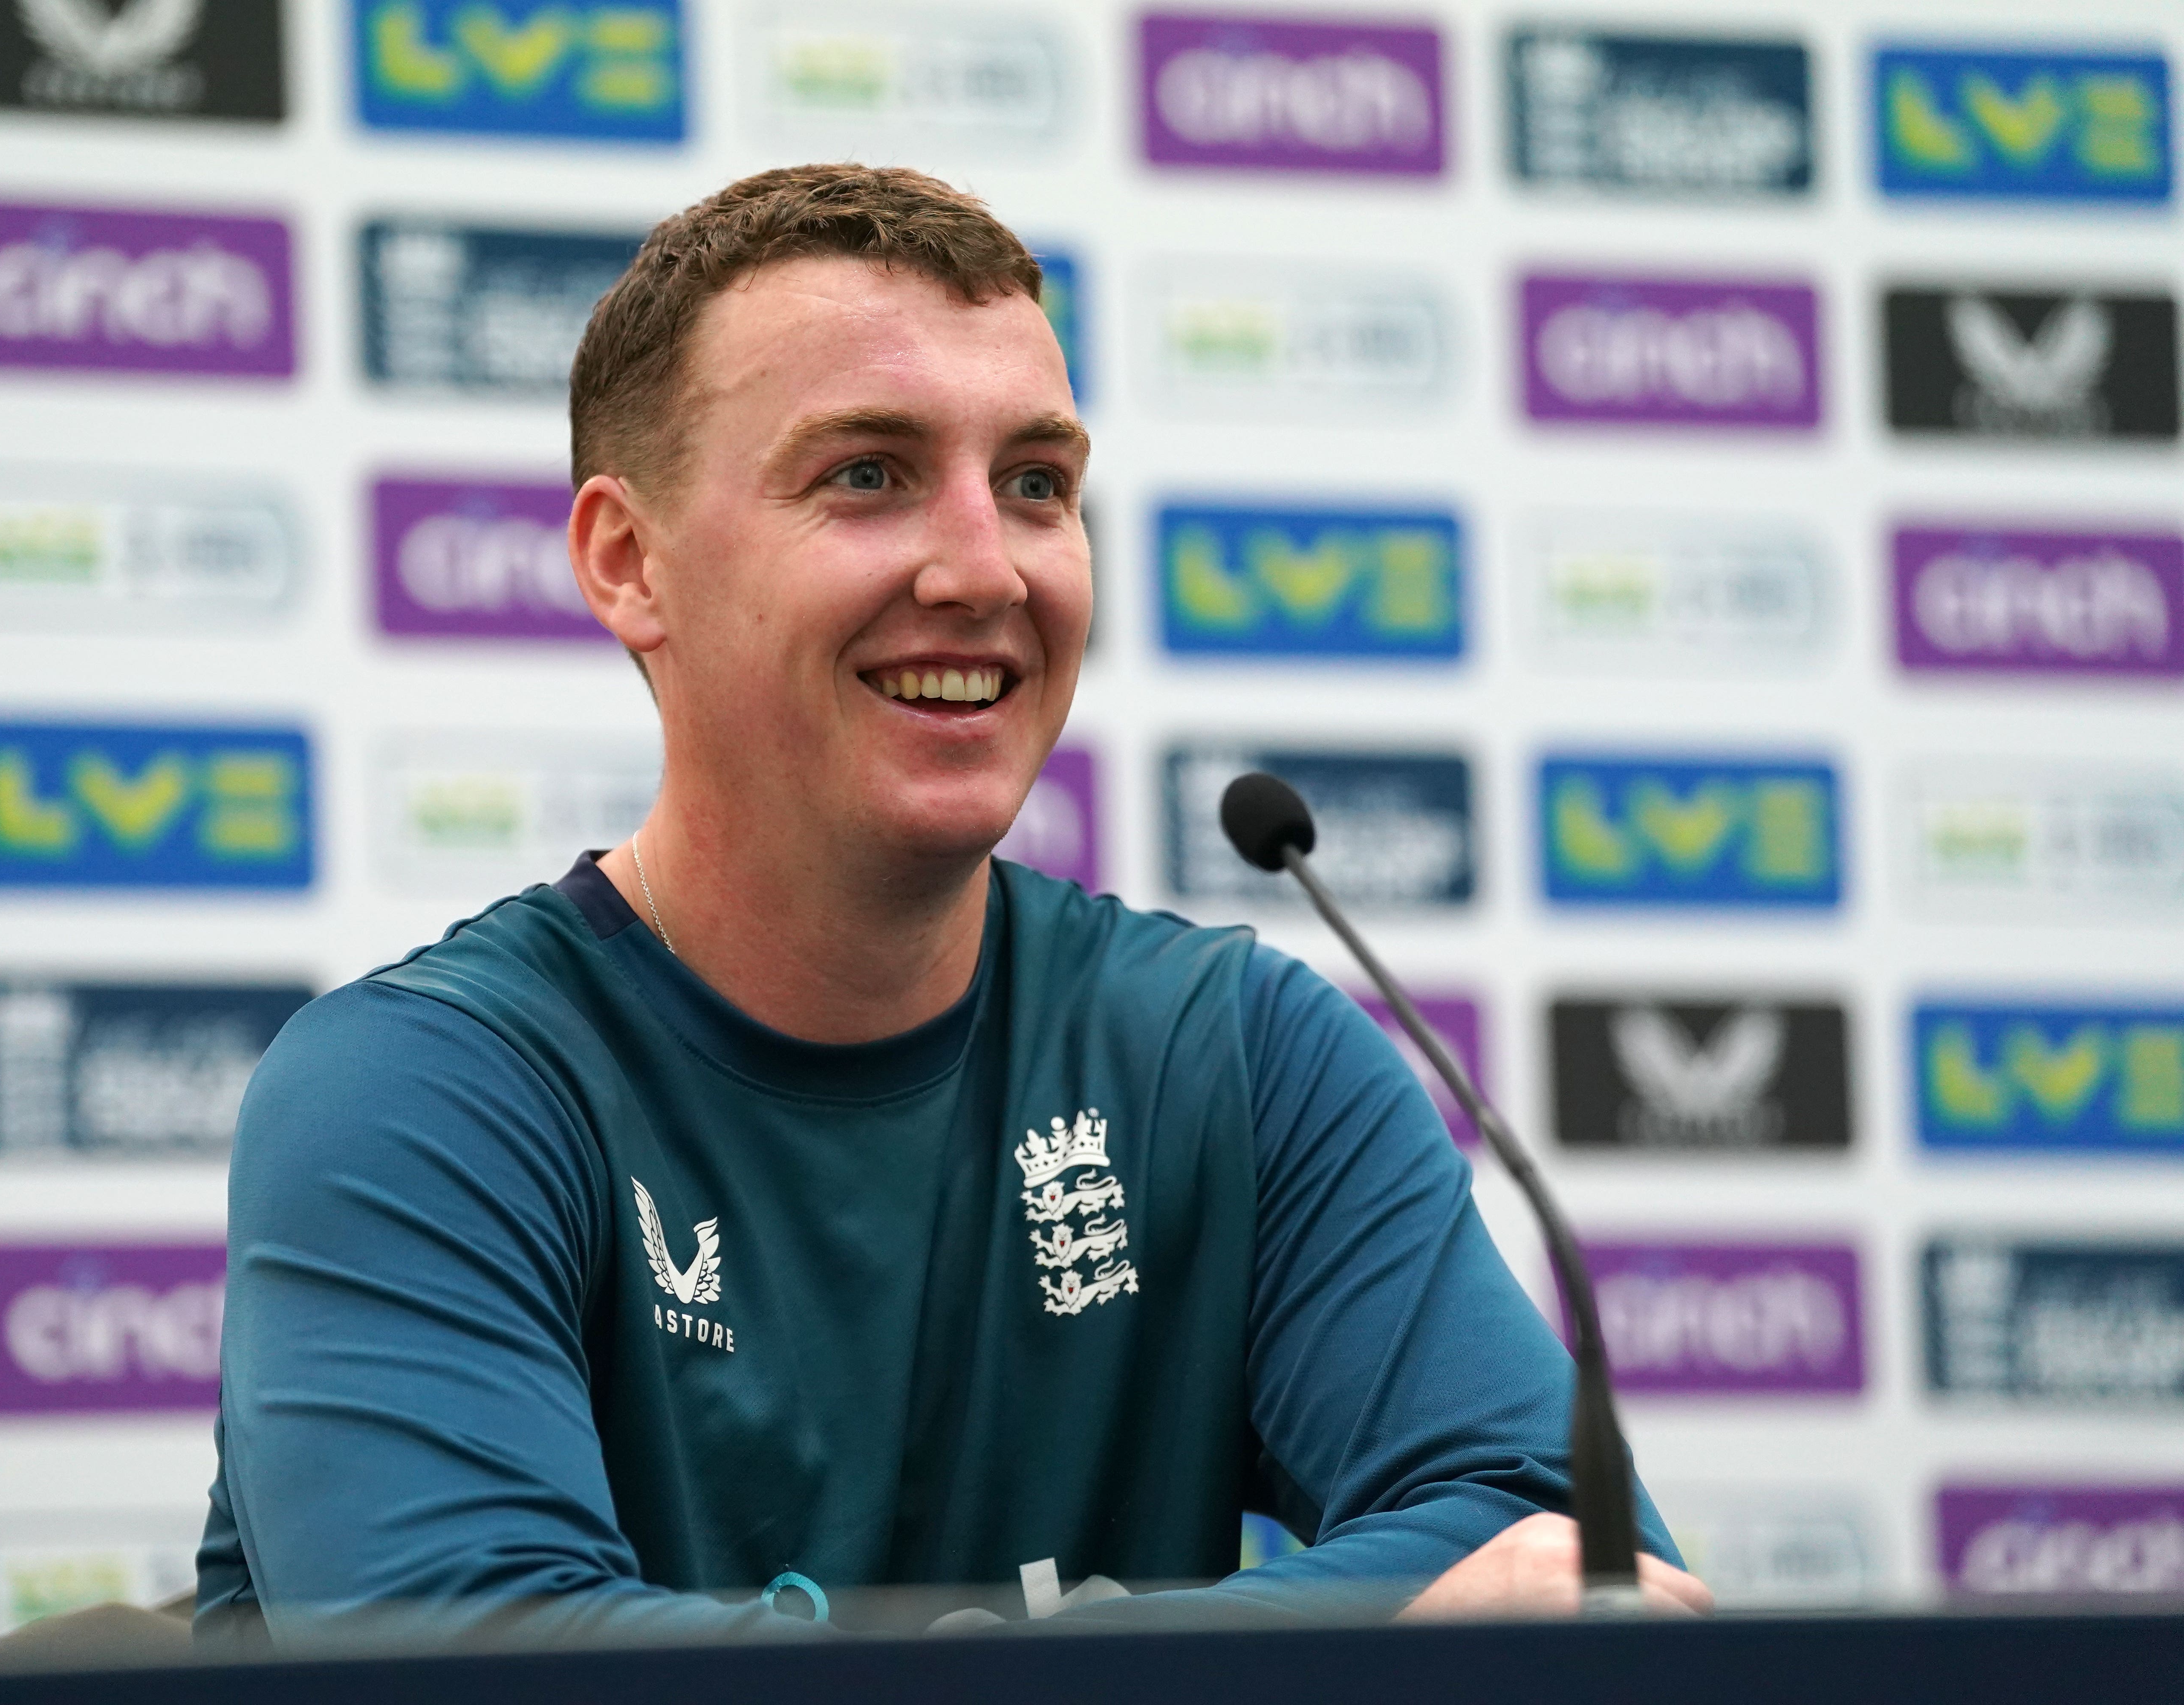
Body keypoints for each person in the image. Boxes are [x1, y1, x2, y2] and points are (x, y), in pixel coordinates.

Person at [194, 164, 1709, 1645]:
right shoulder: (417, 1095)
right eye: (869, 474)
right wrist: (1347, 1628)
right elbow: (494, 1662)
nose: (986, 568)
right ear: (627, 559)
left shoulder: (1236, 1054)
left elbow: (1565, 1548)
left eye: (1038, 486)